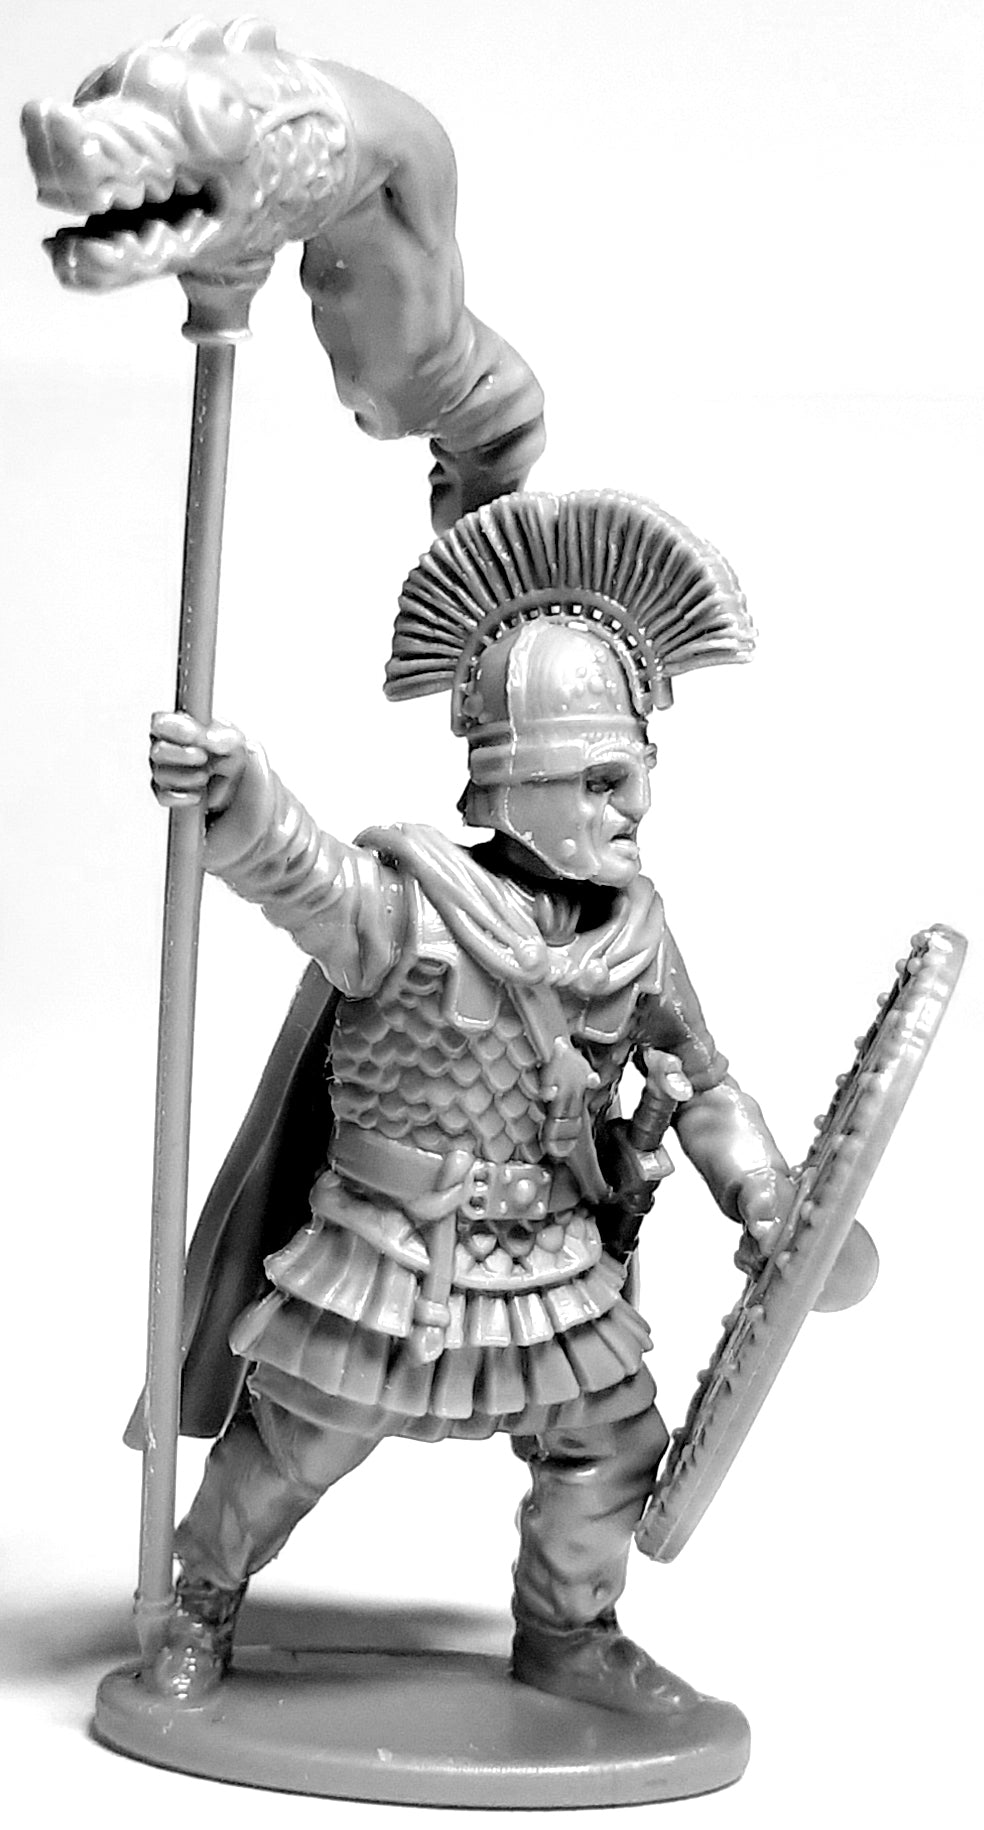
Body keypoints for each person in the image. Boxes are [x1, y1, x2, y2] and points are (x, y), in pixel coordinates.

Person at [147, 489, 794, 1715]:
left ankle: (569, 1632)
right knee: (296, 1443)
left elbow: (704, 1084)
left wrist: (759, 1186)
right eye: (602, 780)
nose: (633, 807)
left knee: (610, 1443)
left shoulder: (635, 941)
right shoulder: (405, 907)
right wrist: (234, 793)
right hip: (388, 1255)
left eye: (638, 777)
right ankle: (201, 1603)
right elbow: (296, 871)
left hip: (551, 1258)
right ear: (516, 783)